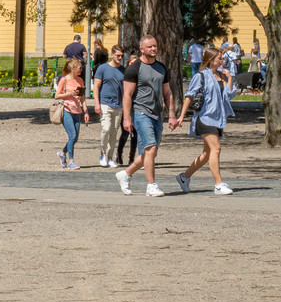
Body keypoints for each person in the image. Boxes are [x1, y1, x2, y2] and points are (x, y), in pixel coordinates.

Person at [115, 35, 175, 197]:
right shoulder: (134, 68)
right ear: (142, 49)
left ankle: (125, 174)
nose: (154, 49)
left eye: (155, 46)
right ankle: (151, 185)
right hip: (140, 112)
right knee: (151, 147)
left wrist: (171, 114)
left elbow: (167, 92)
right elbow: (127, 95)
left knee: (150, 153)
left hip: (157, 113)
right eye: (150, 47)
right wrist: (127, 118)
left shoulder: (161, 68)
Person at [175, 49, 236, 196]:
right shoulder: (200, 76)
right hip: (204, 117)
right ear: (210, 59)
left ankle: (184, 177)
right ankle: (218, 184)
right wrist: (182, 116)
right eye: (218, 59)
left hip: (217, 118)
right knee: (216, 148)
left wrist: (229, 79)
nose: (221, 61)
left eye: (222, 59)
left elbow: (229, 95)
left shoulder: (221, 75)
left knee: (207, 154)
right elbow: (189, 96)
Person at [94, 46, 126, 168]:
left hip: (118, 104)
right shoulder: (103, 68)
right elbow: (96, 87)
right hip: (105, 102)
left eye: (121, 56)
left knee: (114, 132)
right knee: (106, 128)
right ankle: (102, 152)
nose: (120, 58)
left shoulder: (123, 70)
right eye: (118, 55)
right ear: (112, 55)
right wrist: (97, 103)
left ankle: (110, 156)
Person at [53, 57, 87, 170]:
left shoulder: (80, 81)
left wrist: (86, 111)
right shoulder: (64, 80)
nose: (81, 71)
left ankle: (62, 153)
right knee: (72, 135)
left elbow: (82, 98)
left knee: (75, 138)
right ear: (72, 69)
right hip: (67, 110)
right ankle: (71, 161)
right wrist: (70, 94)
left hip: (77, 111)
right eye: (79, 69)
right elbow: (56, 95)